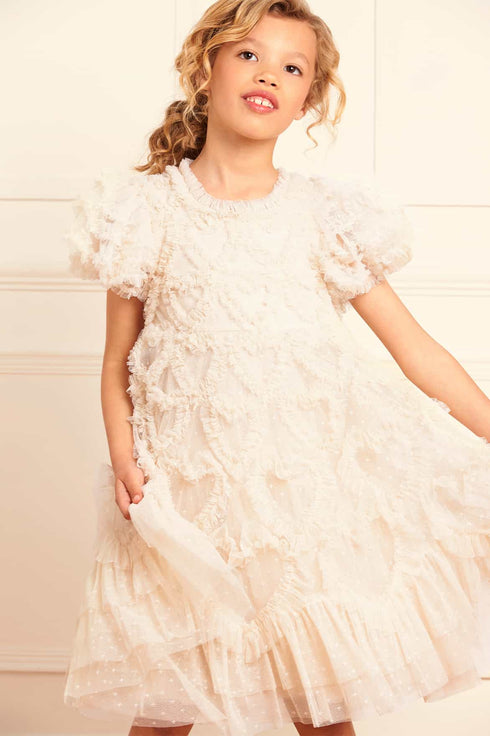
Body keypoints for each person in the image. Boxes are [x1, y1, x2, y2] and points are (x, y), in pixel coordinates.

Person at [62, 1, 490, 735]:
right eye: (249, 55)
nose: (268, 76)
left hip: (302, 502)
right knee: (163, 713)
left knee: (320, 710)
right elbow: (116, 360)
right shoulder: (145, 212)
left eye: (292, 68)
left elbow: (415, 349)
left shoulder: (325, 216)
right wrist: (125, 459)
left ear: (306, 101)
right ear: (207, 68)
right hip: (181, 497)